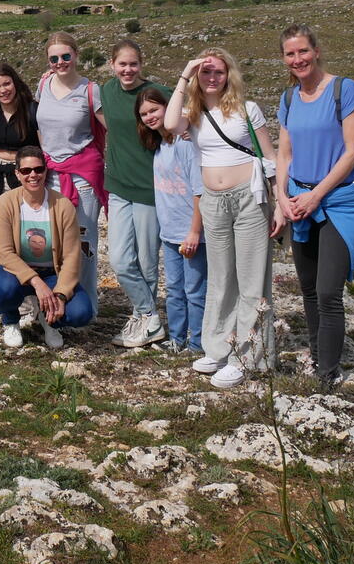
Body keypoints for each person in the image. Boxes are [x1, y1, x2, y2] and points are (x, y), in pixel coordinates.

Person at [163, 48, 284, 389]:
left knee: (251, 279)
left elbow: (270, 157)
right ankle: (219, 348)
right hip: (213, 201)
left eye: (218, 71)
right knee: (220, 277)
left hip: (249, 198)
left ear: (229, 74)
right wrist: (186, 72)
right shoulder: (193, 113)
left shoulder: (247, 110)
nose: (212, 77)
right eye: (205, 72)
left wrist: (279, 204)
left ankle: (249, 357)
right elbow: (169, 124)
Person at [275, 25, 354, 393]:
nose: (297, 59)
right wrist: (282, 197)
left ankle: (328, 377)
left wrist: (316, 196)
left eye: (303, 51)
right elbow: (285, 154)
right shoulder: (289, 99)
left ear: (316, 51)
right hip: (299, 201)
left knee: (329, 292)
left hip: (339, 201)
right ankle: (317, 360)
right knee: (310, 289)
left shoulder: (343, 89)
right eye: (290, 54)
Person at [0, 146, 92, 351]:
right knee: (5, 289)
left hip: (52, 272)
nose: (33, 175)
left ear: (46, 171)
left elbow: (72, 255)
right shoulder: (4, 203)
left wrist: (60, 295)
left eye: (38, 169)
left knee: (81, 313)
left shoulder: (63, 205)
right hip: (16, 272)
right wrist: (37, 283)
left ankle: (49, 319)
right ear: (17, 174)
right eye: (26, 170)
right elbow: (5, 253)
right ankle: (11, 320)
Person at [35, 32, 108, 319]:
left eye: (66, 56)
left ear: (76, 55)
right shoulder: (43, 84)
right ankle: (56, 300)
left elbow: (112, 127)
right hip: (51, 174)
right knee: (51, 240)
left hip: (82, 176)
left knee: (84, 242)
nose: (60, 62)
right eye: (54, 58)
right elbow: (41, 125)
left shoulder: (91, 90)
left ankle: (87, 307)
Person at [102, 39, 165, 348]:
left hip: (149, 189)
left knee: (147, 262)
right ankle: (149, 315)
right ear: (112, 64)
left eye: (133, 64)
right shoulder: (106, 91)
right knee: (119, 259)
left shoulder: (156, 92)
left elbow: (185, 115)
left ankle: (143, 320)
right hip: (118, 186)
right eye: (122, 64)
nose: (127, 70)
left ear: (142, 64)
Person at [136, 86, 207, 355]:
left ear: (167, 108)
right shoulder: (159, 145)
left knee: (195, 290)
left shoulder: (185, 143)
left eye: (154, 110)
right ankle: (177, 339)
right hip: (169, 232)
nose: (150, 117)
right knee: (175, 289)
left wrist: (194, 231)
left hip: (191, 232)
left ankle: (197, 343)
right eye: (144, 114)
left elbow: (199, 191)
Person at [0, 63, 39, 206]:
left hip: (26, 176)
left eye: (7, 84)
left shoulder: (32, 110)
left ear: (15, 83)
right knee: (0, 217)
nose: (3, 90)